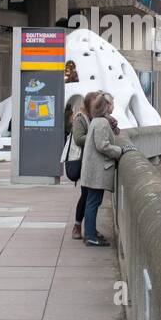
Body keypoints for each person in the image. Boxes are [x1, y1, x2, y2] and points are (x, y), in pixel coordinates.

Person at [80, 92, 134, 247]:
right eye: (112, 104)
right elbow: (102, 145)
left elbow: (113, 135)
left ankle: (91, 231)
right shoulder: (101, 123)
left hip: (93, 169)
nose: (114, 106)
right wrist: (119, 151)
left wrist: (113, 124)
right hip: (97, 170)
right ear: (106, 106)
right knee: (93, 202)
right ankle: (90, 235)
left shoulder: (99, 121)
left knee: (92, 202)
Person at [65, 93, 94, 240]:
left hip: (90, 161)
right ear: (90, 105)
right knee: (85, 195)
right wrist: (95, 137)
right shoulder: (81, 118)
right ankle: (77, 226)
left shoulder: (94, 118)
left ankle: (90, 228)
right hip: (82, 161)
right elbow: (78, 138)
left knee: (89, 195)